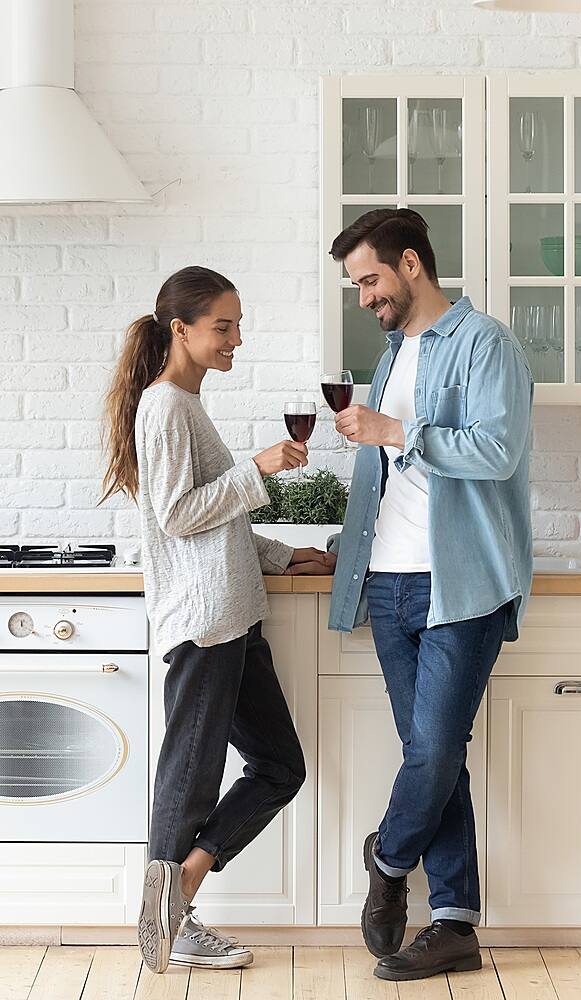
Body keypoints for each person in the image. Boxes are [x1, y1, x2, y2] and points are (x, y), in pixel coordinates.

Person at [101, 266, 335, 974]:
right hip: (206, 622)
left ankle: (184, 885)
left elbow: (215, 524)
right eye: (222, 326)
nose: (237, 339)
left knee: (278, 766)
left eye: (238, 325)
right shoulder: (167, 406)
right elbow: (177, 517)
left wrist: (285, 552)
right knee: (191, 774)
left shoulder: (186, 405)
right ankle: (167, 915)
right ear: (181, 329)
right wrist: (259, 469)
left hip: (233, 617)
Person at [321, 209, 533, 982]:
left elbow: (499, 451)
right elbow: (391, 473)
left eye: (370, 279)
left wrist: (395, 431)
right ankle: (454, 925)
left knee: (437, 748)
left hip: (459, 581)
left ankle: (388, 856)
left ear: (411, 264)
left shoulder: (485, 344)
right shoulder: (390, 355)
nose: (364, 296)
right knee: (433, 757)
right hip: (387, 581)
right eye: (356, 285)